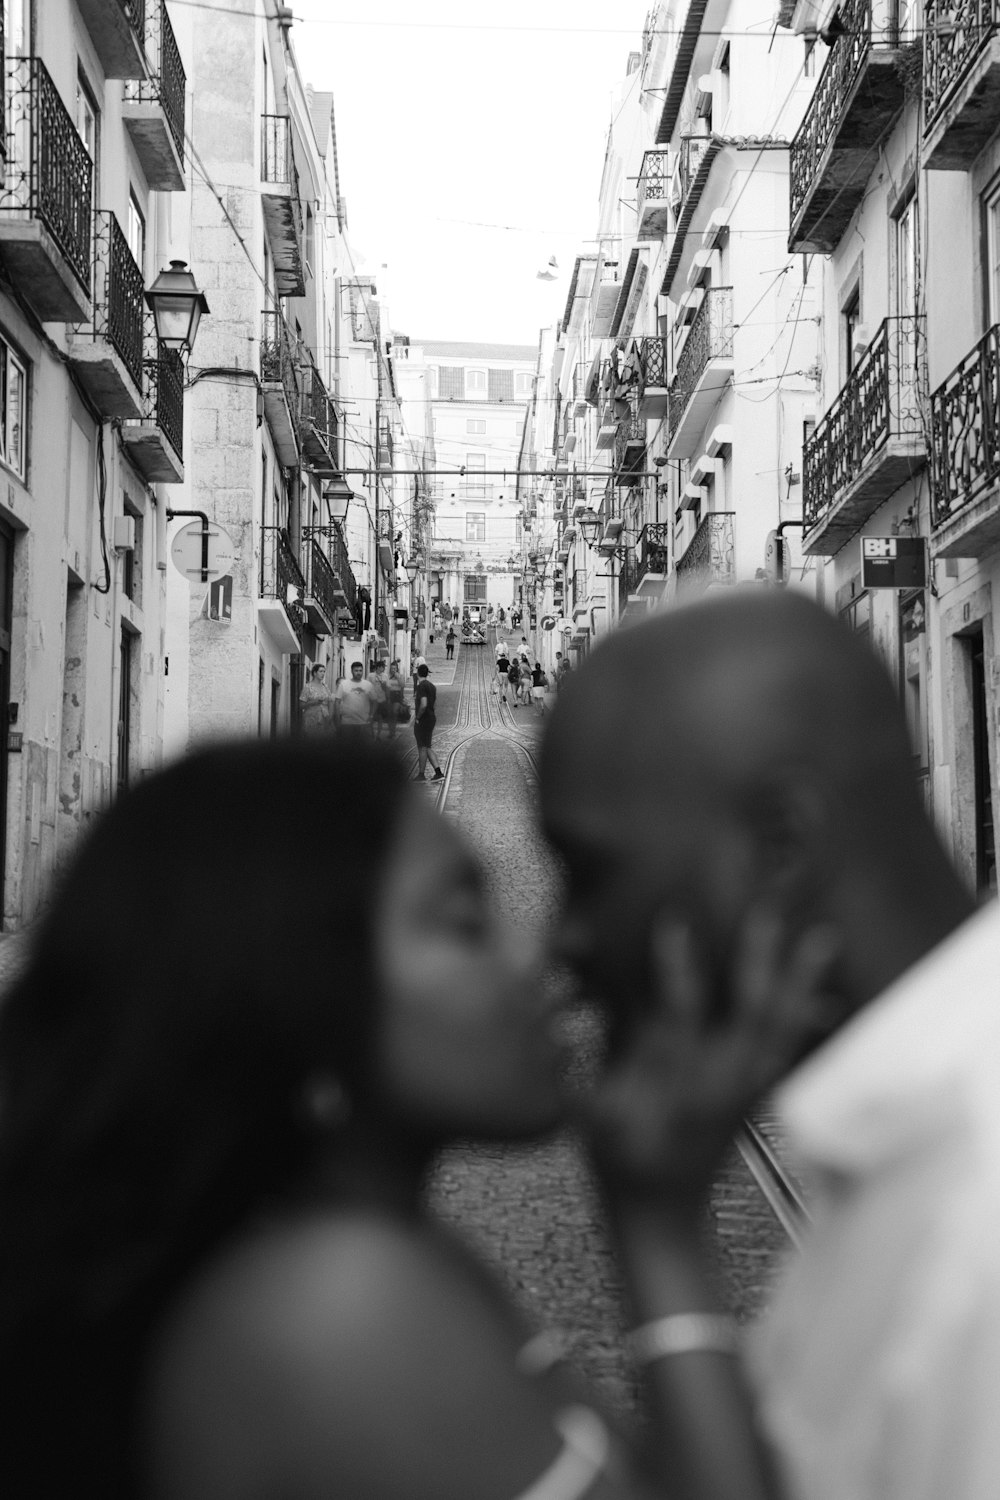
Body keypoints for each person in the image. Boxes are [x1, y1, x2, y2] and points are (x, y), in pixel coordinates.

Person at [0, 735, 787, 1500]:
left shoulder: (380, 1253)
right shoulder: (342, 1312)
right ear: (301, 990)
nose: (542, 961)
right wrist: (664, 1243)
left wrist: (653, 1210)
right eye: (465, 924)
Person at [539, 587, 995, 1500]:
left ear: (782, 841)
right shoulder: (895, 1158)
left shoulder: (975, 1227)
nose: (563, 943)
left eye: (593, 873)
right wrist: (656, 1227)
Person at [413, 663, 443, 782]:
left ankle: (421, 775)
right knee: (427, 746)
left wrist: (418, 717)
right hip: (431, 717)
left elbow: (423, 704)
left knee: (422, 747)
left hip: (424, 719)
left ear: (418, 673)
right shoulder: (432, 686)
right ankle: (438, 772)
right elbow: (434, 704)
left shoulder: (421, 686)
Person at [334, 660, 377, 739]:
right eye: (356, 671)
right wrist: (337, 720)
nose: (358, 673)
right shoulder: (344, 684)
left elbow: (374, 701)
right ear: (351, 671)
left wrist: (371, 716)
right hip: (347, 723)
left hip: (364, 723)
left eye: (360, 670)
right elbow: (337, 702)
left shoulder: (368, 685)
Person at [298, 662, 333, 734]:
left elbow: (330, 701)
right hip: (311, 719)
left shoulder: (325, 687)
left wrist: (330, 717)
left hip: (324, 718)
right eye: (320, 671)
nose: (323, 673)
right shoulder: (308, 687)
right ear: (314, 673)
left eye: (324, 671)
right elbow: (301, 705)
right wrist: (313, 702)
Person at [367, 660, 390, 740]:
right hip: (372, 699)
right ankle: (372, 733)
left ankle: (378, 735)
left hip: (381, 699)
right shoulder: (371, 675)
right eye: (382, 667)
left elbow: (387, 687)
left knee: (380, 718)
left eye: (383, 667)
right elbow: (367, 686)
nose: (383, 669)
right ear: (378, 667)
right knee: (371, 717)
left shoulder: (385, 676)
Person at [386, 659, 406, 736]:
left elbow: (402, 685)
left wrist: (397, 677)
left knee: (394, 712)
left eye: (394, 668)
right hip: (389, 694)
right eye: (392, 668)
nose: (393, 670)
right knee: (389, 714)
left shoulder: (400, 676)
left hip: (397, 695)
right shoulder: (387, 676)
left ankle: (393, 731)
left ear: (397, 669)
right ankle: (390, 730)